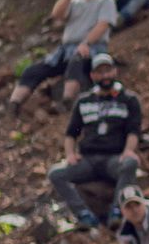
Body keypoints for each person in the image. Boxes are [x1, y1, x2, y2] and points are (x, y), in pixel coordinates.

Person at [48, 54, 141, 231]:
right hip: (88, 160)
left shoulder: (129, 100)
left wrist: (129, 150)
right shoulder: (84, 101)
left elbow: (133, 130)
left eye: (108, 70)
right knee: (56, 173)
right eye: (100, 72)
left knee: (130, 163)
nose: (105, 76)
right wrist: (70, 155)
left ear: (115, 71)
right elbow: (71, 133)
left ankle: (117, 210)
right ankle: (84, 215)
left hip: (114, 158)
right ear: (93, 76)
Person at [7, 0, 117, 116]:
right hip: (66, 48)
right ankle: (14, 104)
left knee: (75, 62)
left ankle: (67, 101)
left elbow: (103, 25)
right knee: (34, 70)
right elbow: (56, 14)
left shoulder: (106, 0)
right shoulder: (75, 0)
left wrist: (86, 43)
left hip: (92, 47)